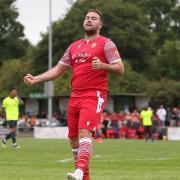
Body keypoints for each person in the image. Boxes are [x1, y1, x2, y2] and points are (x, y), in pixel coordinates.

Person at [24, 9, 124, 180]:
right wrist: (36, 79)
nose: (89, 20)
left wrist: (102, 65)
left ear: (100, 24)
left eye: (94, 18)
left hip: (94, 95)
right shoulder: (74, 46)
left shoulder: (107, 43)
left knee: (85, 132)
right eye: (87, 18)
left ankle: (79, 171)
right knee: (73, 139)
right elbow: (57, 70)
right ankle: (84, 176)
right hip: (75, 96)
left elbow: (120, 69)